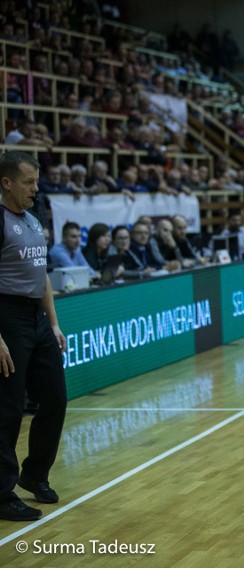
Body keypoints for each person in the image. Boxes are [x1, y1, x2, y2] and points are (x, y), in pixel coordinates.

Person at [0, 151, 67, 521]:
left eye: (36, 181)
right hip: (7, 316)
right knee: (8, 409)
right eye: (29, 182)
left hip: (37, 318)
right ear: (7, 183)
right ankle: (2, 491)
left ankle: (34, 474)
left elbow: (41, 273)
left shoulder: (33, 218)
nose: (36, 188)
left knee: (55, 399)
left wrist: (53, 323)